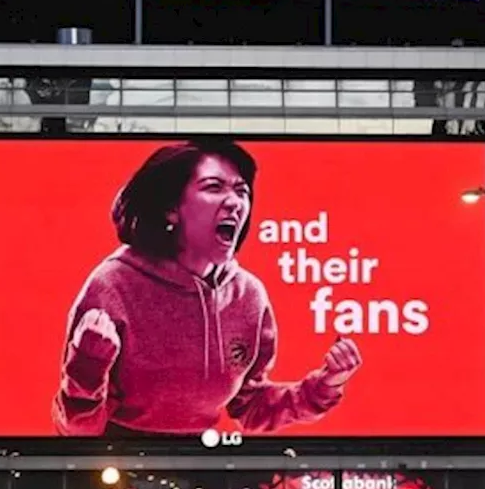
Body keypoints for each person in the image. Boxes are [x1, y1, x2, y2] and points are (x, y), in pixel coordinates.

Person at [51, 140, 363, 436]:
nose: (234, 202)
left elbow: (253, 407)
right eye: (214, 187)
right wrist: (87, 366)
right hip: (120, 459)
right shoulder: (112, 286)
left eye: (241, 191)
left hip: (206, 460)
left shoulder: (249, 294)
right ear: (170, 209)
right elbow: (78, 429)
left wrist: (326, 385)